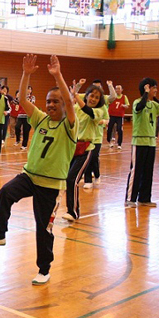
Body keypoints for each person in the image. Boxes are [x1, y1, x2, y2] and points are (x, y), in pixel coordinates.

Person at [0, 54, 77, 286]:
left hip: (51, 185)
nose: (51, 105)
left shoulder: (69, 126)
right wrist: (26, 73)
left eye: (56, 101)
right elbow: (22, 99)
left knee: (43, 229)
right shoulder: (41, 120)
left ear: (64, 104)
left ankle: (44, 269)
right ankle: (0, 234)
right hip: (29, 176)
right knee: (5, 192)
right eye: (48, 101)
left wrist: (58, 75)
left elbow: (70, 101)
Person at [125, 78, 159, 208]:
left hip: (151, 142)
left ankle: (144, 199)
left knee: (148, 171)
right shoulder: (137, 102)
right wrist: (145, 94)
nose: (156, 90)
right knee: (136, 170)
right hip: (139, 141)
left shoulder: (154, 105)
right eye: (154, 88)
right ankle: (130, 198)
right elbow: (140, 107)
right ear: (146, 89)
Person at [63, 83, 106, 220]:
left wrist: (76, 95)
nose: (93, 99)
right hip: (72, 148)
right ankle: (65, 209)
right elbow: (67, 112)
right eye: (91, 95)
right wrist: (71, 97)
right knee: (66, 180)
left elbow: (88, 110)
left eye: (97, 97)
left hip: (86, 150)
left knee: (72, 179)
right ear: (86, 96)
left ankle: (73, 212)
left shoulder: (98, 112)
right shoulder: (76, 108)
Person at [107, 84, 129, 149]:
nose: (118, 90)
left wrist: (123, 106)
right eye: (116, 89)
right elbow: (107, 103)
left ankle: (119, 144)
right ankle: (110, 141)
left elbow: (127, 105)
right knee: (109, 129)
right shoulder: (112, 97)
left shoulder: (124, 97)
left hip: (119, 116)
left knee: (119, 129)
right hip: (112, 115)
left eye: (119, 89)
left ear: (122, 90)